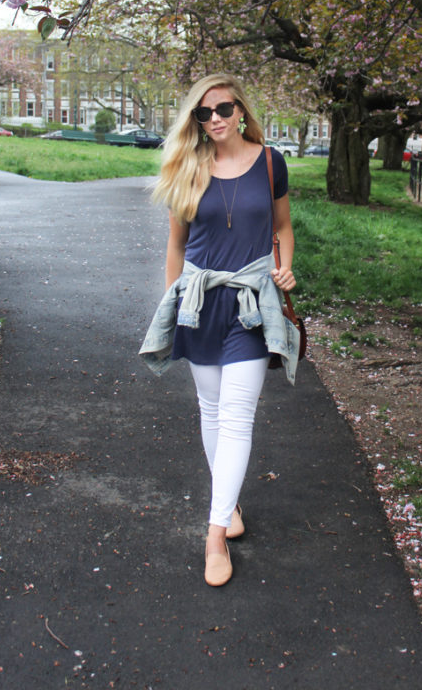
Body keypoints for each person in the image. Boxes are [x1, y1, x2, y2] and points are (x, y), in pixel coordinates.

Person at [139, 73, 300, 587]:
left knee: (236, 417)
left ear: (241, 111)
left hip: (252, 304)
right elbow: (176, 248)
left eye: (224, 109)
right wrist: (172, 309)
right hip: (200, 302)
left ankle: (213, 537)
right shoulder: (186, 167)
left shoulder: (271, 162)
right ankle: (227, 508)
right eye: (203, 114)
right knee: (211, 410)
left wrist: (286, 266)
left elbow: (282, 228)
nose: (215, 120)